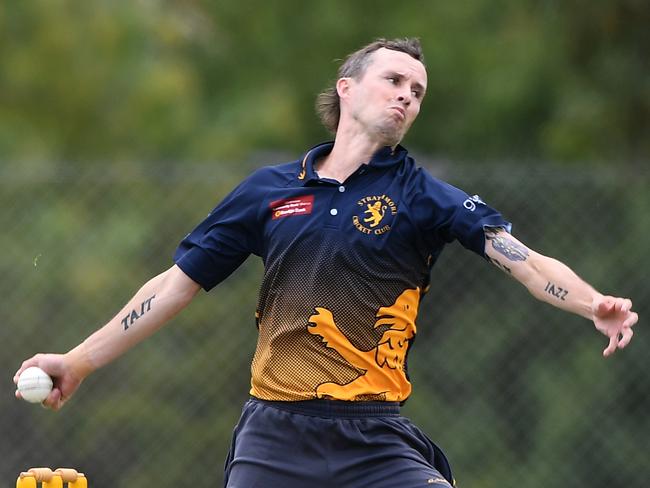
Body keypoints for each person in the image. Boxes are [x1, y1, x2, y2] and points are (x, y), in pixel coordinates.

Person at [14, 38, 638, 488]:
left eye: (417, 91)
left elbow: (524, 261)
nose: (406, 97)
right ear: (346, 88)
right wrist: (77, 361)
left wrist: (591, 304)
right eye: (393, 81)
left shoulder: (422, 195)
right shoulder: (267, 192)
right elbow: (174, 287)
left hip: (374, 437)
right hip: (274, 436)